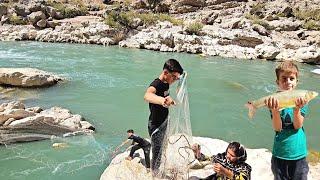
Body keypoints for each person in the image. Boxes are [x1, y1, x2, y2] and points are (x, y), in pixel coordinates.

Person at [265, 61, 310, 180]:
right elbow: (277, 128)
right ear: (277, 82)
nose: (288, 82)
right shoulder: (274, 100)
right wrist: (275, 111)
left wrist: (296, 110)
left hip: (298, 154)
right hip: (279, 154)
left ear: (296, 81)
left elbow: (297, 125)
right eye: (284, 78)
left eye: (291, 78)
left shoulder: (302, 99)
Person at [143, 59, 184, 174]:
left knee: (162, 148)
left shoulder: (167, 82)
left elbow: (166, 94)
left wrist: (169, 99)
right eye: (174, 77)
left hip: (163, 121)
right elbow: (147, 95)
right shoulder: (157, 83)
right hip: (155, 125)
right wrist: (162, 100)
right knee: (157, 153)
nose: (175, 80)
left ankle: (159, 168)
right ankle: (155, 174)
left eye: (177, 78)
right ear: (165, 73)